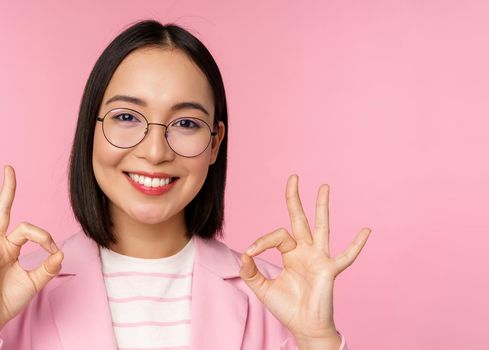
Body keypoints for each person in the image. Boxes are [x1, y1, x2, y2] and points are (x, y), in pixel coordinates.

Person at [0, 19, 371, 350]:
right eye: (127, 116)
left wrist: (317, 341)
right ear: (90, 130)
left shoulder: (279, 302)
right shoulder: (14, 295)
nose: (155, 151)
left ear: (214, 142)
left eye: (186, 124)